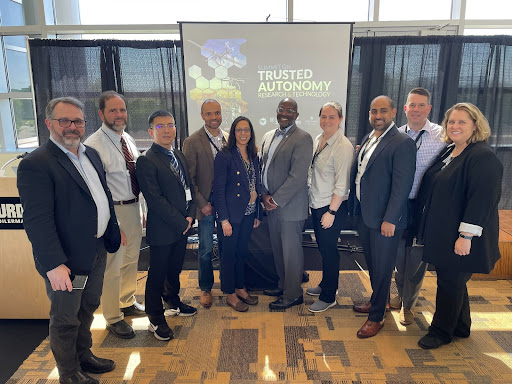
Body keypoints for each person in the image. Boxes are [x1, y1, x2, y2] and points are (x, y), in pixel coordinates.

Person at [17, 97, 121, 384]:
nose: (72, 126)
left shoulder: (91, 155)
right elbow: (37, 221)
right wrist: (54, 265)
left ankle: (83, 356)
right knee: (65, 318)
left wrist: (112, 227)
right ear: (49, 123)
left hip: (96, 249)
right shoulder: (36, 164)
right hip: (66, 260)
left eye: (77, 121)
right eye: (64, 121)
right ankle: (68, 372)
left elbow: (101, 198)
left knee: (88, 307)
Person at [415, 103, 503, 349]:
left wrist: (466, 235)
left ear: (475, 125)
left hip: (462, 235)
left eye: (462, 122)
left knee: (450, 281)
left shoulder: (482, 156)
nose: (455, 126)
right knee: (453, 279)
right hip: (446, 232)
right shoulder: (451, 150)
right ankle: (461, 326)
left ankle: (441, 332)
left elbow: (482, 199)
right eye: (451, 122)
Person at [349, 95, 416, 338]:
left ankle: (376, 317)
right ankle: (380, 301)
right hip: (367, 215)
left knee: (383, 267)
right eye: (373, 111)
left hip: (385, 221)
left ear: (394, 112)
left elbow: (402, 186)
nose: (378, 115)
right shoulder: (369, 137)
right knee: (374, 266)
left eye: (383, 111)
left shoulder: (402, 142)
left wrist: (390, 219)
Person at [84, 91, 144, 340]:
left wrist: (141, 210)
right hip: (113, 213)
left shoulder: (126, 138)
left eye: (122, 110)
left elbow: (133, 176)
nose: (119, 115)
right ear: (101, 114)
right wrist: (113, 223)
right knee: (113, 267)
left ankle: (127, 300)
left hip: (132, 207)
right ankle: (112, 317)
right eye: (113, 111)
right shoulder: (93, 146)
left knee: (131, 260)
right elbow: (97, 190)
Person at [135, 110, 197, 340]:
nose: (167, 129)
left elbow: (187, 187)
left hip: (182, 226)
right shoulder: (146, 160)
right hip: (163, 229)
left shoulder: (178, 154)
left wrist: (191, 215)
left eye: (170, 125)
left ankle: (173, 302)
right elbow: (155, 199)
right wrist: (182, 221)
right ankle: (155, 318)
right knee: (157, 275)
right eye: (161, 126)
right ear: (151, 131)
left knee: (174, 269)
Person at [390, 88, 446, 325]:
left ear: (429, 109)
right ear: (405, 108)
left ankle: (408, 305)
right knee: (397, 254)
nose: (416, 109)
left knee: (416, 258)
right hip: (398, 204)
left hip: (423, 207)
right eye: (412, 105)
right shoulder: (394, 135)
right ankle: (400, 293)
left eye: (421, 105)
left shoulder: (442, 136)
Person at [260, 98, 313, 310]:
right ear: (276, 112)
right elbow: (263, 167)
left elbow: (298, 176)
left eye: (290, 110)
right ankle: (283, 285)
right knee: (278, 250)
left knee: (291, 253)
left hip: (289, 207)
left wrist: (275, 199)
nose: (285, 113)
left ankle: (293, 294)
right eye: (282, 109)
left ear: (297, 115)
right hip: (270, 205)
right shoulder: (268, 136)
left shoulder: (303, 138)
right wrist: (264, 195)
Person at [306, 102, 353, 313]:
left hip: (330, 208)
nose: (327, 120)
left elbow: (342, 184)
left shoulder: (343, 146)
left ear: (340, 119)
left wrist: (331, 212)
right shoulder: (319, 139)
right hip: (316, 203)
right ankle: (325, 283)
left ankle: (328, 296)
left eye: (332, 117)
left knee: (330, 251)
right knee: (323, 249)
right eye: (324, 116)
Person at [183, 99, 229, 308]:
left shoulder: (229, 138)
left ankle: (229, 286)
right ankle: (205, 288)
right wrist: (201, 203)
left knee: (228, 246)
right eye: (209, 114)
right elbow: (189, 179)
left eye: (217, 113)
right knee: (206, 249)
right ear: (202, 116)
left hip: (227, 204)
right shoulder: (192, 142)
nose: (214, 117)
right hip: (207, 204)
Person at [213, 116, 262, 312]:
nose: (243, 134)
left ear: (251, 133)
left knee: (242, 253)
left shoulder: (254, 155)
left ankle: (240, 287)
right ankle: (230, 293)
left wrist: (257, 213)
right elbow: (218, 190)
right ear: (233, 133)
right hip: (231, 217)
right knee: (229, 255)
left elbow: (256, 185)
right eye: (239, 130)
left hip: (249, 214)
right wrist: (223, 220)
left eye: (247, 130)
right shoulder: (225, 156)